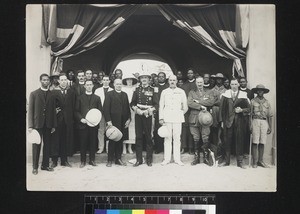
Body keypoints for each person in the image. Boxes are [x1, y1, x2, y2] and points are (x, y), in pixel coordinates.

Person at [28, 74, 57, 175]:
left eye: (47, 80)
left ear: (49, 81)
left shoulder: (52, 94)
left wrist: (53, 125)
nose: (46, 82)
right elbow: (30, 110)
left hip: (48, 124)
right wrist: (30, 126)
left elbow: (53, 111)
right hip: (37, 124)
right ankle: (35, 167)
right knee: (36, 145)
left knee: (47, 145)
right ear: (40, 81)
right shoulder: (34, 94)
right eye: (44, 80)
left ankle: (45, 165)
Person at [219, 78, 250, 169]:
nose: (234, 86)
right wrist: (221, 122)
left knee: (239, 141)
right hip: (228, 122)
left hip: (239, 122)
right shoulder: (225, 95)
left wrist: (242, 110)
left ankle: (239, 162)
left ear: (238, 85)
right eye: (232, 84)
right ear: (230, 85)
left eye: (235, 84)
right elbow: (221, 109)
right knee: (227, 141)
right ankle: (226, 161)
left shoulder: (243, 95)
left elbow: (249, 109)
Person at [187, 76, 218, 165]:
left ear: (203, 82)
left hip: (205, 117)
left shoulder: (209, 91)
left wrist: (197, 101)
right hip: (194, 117)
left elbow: (211, 102)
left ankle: (206, 158)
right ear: (195, 83)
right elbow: (189, 103)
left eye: (201, 82)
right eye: (198, 82)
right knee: (195, 137)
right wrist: (200, 106)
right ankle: (196, 158)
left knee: (205, 137)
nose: (199, 84)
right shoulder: (192, 92)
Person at [130, 71, 159, 167]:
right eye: (142, 78)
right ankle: (139, 160)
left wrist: (149, 110)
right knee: (138, 137)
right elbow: (132, 103)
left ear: (149, 79)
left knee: (148, 137)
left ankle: (149, 160)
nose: (144, 79)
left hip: (148, 115)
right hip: (138, 114)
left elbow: (156, 104)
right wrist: (137, 110)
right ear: (140, 79)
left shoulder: (153, 89)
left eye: (146, 78)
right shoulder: (136, 89)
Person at [159, 75, 188, 166]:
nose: (172, 81)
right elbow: (161, 105)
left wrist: (179, 114)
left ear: (176, 81)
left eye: (174, 80)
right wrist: (161, 117)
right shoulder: (164, 92)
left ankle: (177, 159)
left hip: (177, 118)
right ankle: (166, 159)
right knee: (167, 138)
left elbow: (185, 106)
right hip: (167, 117)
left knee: (177, 138)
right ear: (168, 81)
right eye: (170, 80)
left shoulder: (181, 92)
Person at [75, 79, 103, 168]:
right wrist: (81, 119)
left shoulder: (97, 98)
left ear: (93, 86)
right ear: (85, 86)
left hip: (93, 125)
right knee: (83, 143)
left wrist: (95, 120)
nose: (89, 86)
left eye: (90, 85)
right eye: (87, 85)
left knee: (92, 143)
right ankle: (83, 161)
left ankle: (92, 160)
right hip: (83, 124)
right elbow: (76, 111)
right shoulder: (80, 98)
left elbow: (100, 111)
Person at [103, 79, 131, 167]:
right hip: (113, 122)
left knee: (120, 140)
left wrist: (128, 119)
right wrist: (108, 121)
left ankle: (118, 159)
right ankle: (110, 160)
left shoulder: (124, 95)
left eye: (120, 84)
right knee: (112, 140)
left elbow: (127, 108)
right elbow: (105, 108)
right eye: (117, 84)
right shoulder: (109, 94)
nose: (119, 85)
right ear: (114, 85)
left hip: (122, 121)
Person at [50, 73, 75, 168]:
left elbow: (73, 106)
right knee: (55, 140)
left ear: (67, 81)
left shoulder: (71, 92)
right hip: (57, 120)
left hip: (67, 120)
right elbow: (50, 105)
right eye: (62, 80)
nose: (64, 81)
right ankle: (54, 161)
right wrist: (54, 111)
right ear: (59, 81)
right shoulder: (54, 92)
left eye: (65, 80)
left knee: (65, 140)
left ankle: (64, 160)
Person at [250, 84, 273, 168]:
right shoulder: (252, 101)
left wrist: (270, 126)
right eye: (258, 90)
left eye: (261, 90)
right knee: (255, 142)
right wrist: (250, 125)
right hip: (255, 121)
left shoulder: (267, 102)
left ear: (264, 92)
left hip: (264, 122)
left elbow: (270, 115)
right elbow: (250, 115)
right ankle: (255, 161)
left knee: (262, 142)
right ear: (256, 91)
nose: (260, 92)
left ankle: (261, 160)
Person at [94, 75, 113, 154]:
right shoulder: (97, 90)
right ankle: (101, 147)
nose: (105, 81)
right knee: (101, 130)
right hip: (100, 113)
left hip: (110, 113)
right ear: (102, 81)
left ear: (109, 81)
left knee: (109, 130)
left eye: (107, 80)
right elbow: (95, 102)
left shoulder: (112, 90)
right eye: (104, 80)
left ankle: (109, 148)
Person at [181, 68, 197, 154]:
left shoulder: (196, 84)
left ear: (193, 74)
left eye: (191, 73)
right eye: (188, 73)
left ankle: (192, 147)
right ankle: (184, 147)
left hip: (194, 109)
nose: (190, 74)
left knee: (192, 128)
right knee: (184, 128)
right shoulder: (184, 85)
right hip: (185, 109)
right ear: (187, 75)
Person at [153, 71, 169, 154]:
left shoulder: (168, 87)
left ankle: (166, 147)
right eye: (159, 76)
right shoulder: (155, 87)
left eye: (163, 76)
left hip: (167, 111)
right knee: (157, 129)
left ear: (165, 78)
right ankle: (158, 147)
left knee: (168, 128)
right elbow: (154, 99)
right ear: (157, 78)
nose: (161, 78)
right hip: (158, 111)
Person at [122, 75, 138, 154]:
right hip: (125, 109)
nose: (129, 81)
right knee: (125, 126)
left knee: (132, 128)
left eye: (130, 80)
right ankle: (124, 147)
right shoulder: (123, 89)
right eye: (127, 80)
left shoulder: (135, 89)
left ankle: (130, 147)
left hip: (133, 110)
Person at [238, 77, 254, 157]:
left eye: (244, 82)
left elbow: (251, 104)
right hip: (238, 115)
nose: (242, 83)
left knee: (246, 133)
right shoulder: (237, 90)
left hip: (246, 115)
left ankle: (246, 152)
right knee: (239, 134)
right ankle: (238, 152)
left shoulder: (250, 92)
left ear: (246, 82)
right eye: (241, 82)